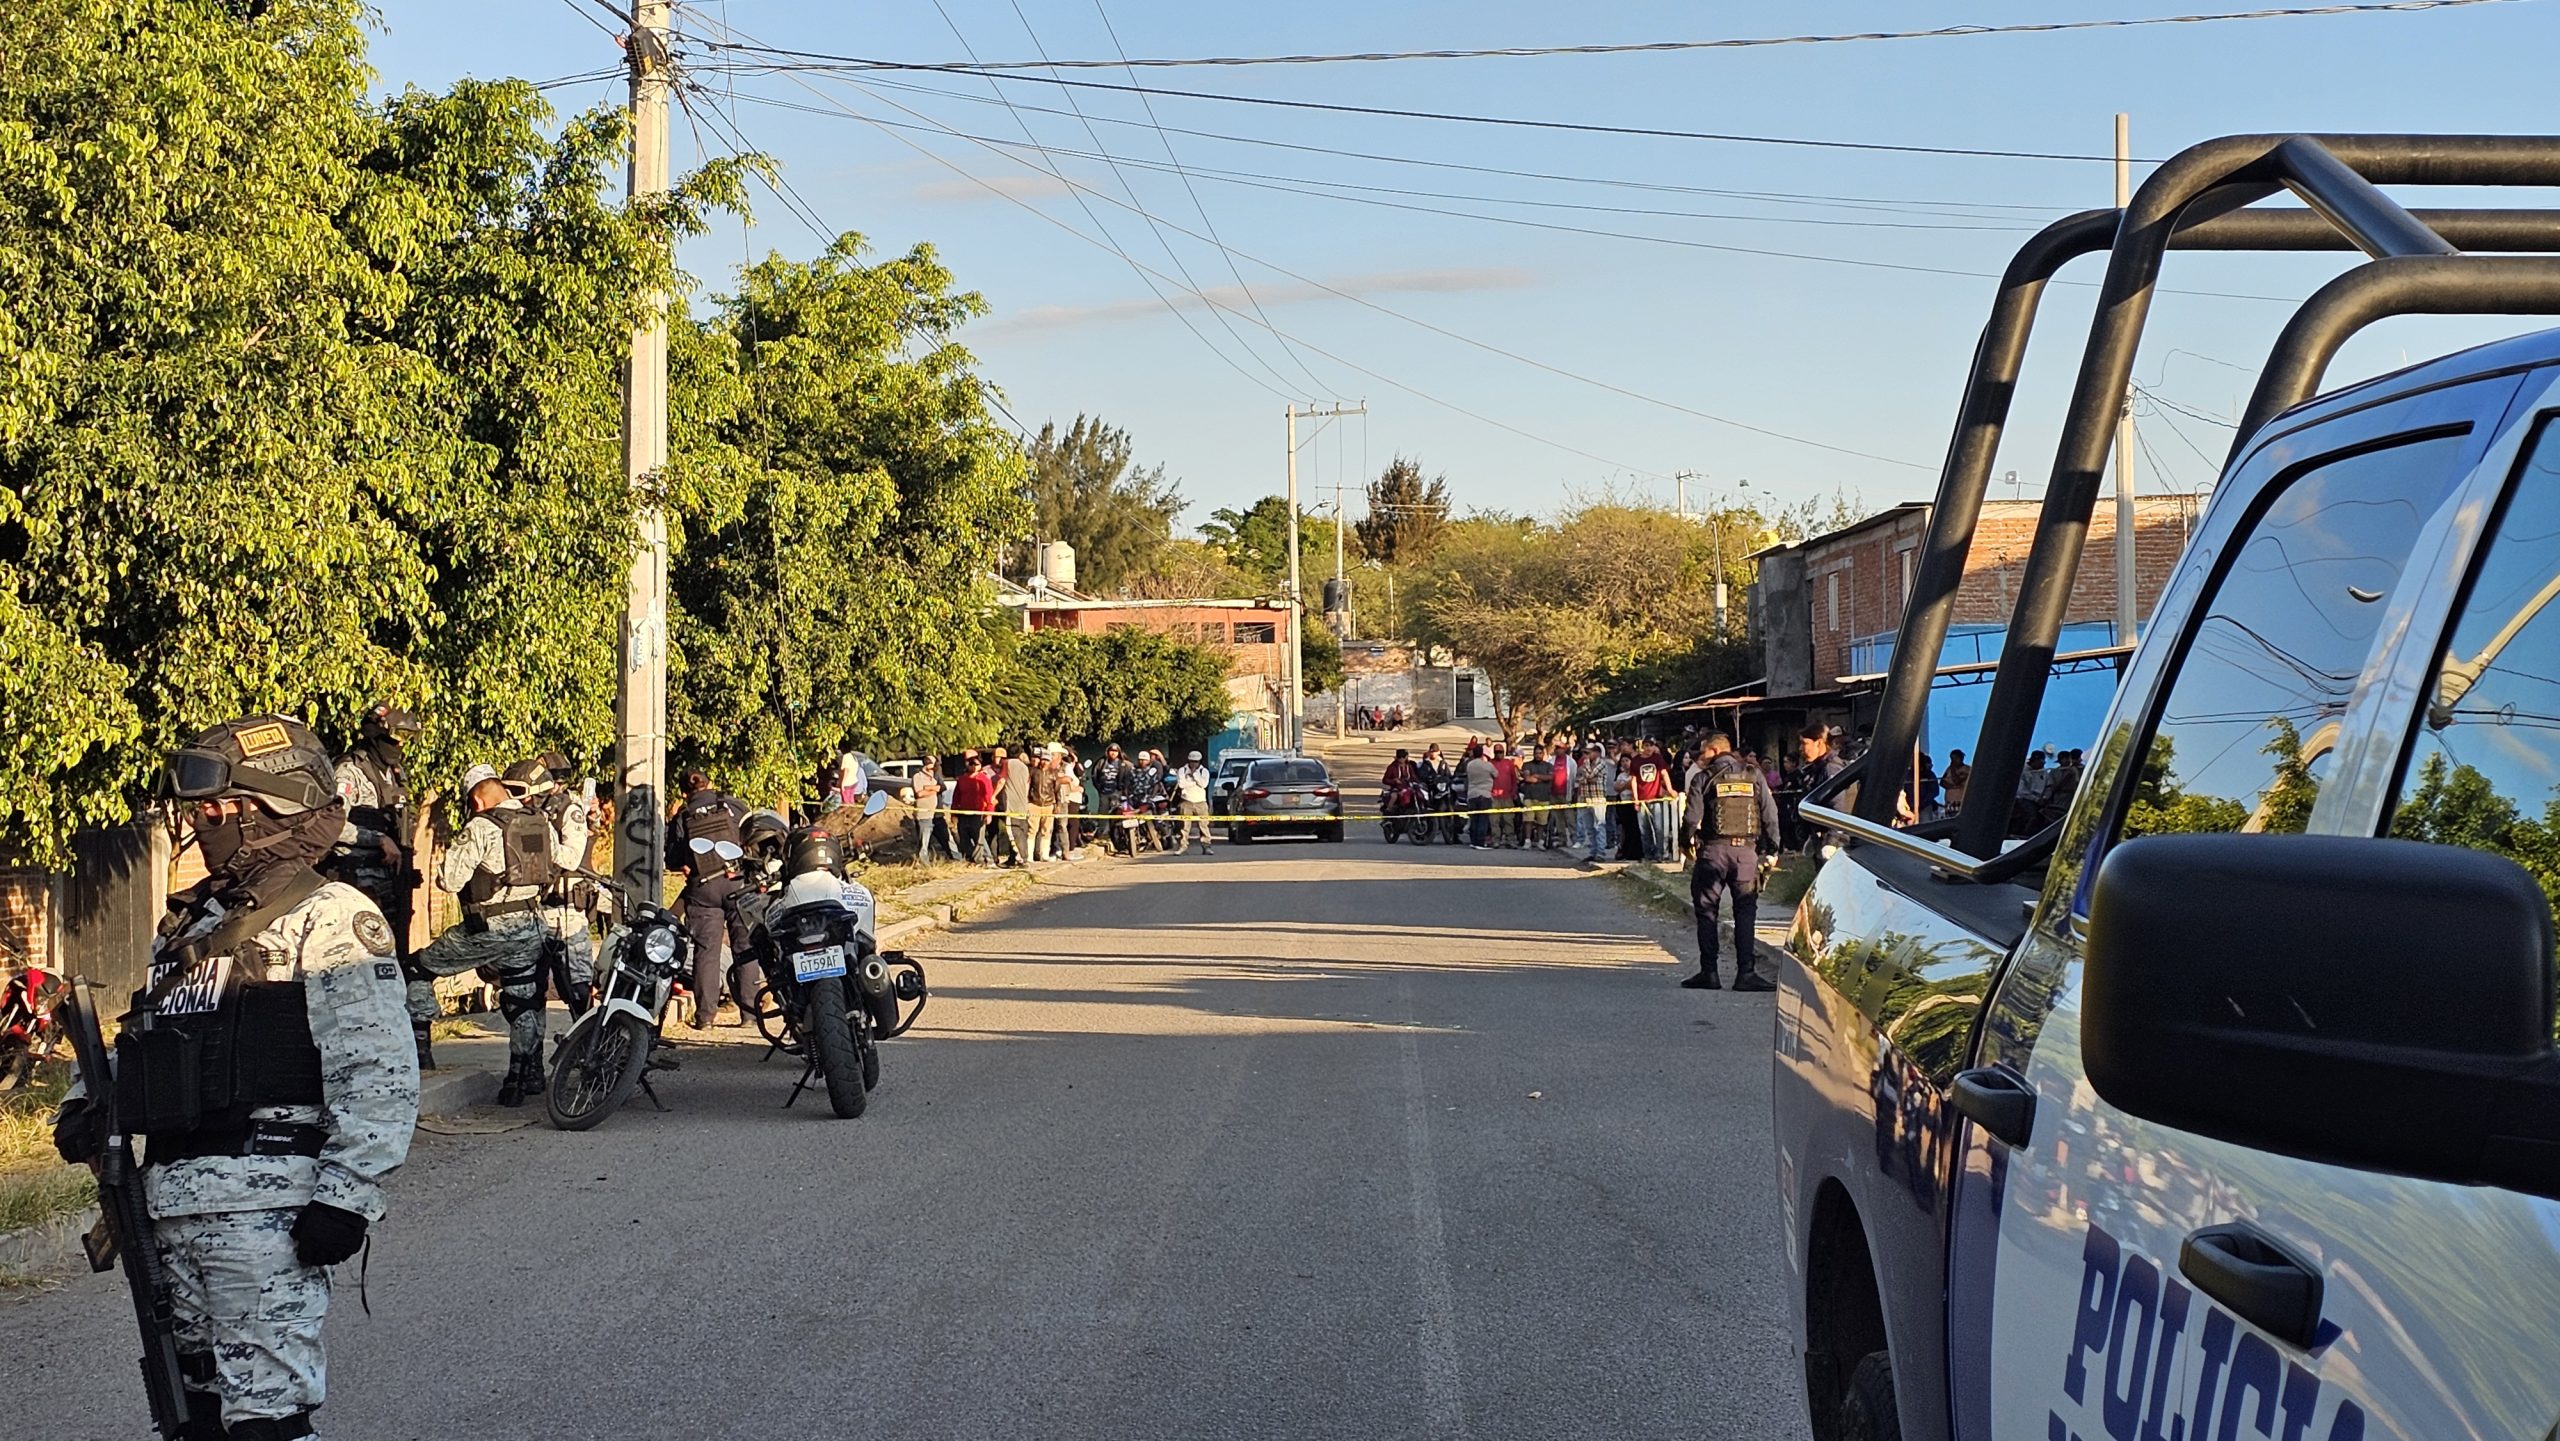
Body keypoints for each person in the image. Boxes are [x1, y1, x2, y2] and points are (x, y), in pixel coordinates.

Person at [54, 715, 417, 1440]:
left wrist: (346, 1198)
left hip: (267, 1219)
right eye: (198, 811)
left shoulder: (332, 914)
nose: (201, 824)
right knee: (195, 1419)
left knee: (266, 1423)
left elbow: (376, 1067)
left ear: (268, 810)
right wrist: (87, 1102)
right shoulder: (189, 926)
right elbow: (149, 1036)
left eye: (215, 810)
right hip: (170, 1207)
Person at [406, 764, 579, 1102]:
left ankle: (421, 1054)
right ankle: (519, 1078)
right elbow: (561, 861)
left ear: (476, 800)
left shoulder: (480, 827)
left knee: (416, 968)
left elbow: (450, 881)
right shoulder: (539, 821)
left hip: (487, 928)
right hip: (531, 926)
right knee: (523, 998)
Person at [325, 703, 425, 1067]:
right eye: (396, 737)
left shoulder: (393, 773)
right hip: (356, 886)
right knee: (360, 968)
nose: (400, 746)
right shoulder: (349, 772)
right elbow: (329, 824)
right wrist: (373, 838)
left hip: (390, 888)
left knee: (392, 963)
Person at [1682, 730, 1782, 992]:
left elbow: (1692, 818)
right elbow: (1770, 814)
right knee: (1745, 912)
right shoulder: (1754, 775)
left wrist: (1685, 844)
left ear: (1714, 750)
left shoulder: (1703, 778)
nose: (1699, 757)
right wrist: (1773, 847)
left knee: (1707, 912)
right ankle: (1746, 974)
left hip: (1713, 852)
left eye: (1702, 751)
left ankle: (1709, 972)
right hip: (1746, 854)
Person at [664, 771, 756, 1036]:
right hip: (737, 882)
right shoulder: (732, 805)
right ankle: (749, 1015)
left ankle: (706, 1017)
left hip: (703, 888)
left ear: (684, 792)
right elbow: (751, 833)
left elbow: (672, 860)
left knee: (706, 952)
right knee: (745, 947)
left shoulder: (683, 815)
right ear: (710, 785)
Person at [508, 758, 596, 1024]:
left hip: (566, 910)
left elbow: (570, 858)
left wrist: (544, 835)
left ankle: (588, 1045)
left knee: (576, 983)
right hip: (536, 908)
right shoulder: (533, 809)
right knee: (532, 984)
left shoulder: (569, 810)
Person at [948, 752, 993, 864]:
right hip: (963, 814)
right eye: (971, 764)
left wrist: (989, 813)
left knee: (979, 839)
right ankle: (969, 858)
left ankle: (981, 860)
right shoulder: (962, 779)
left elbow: (989, 797)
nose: (973, 766)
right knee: (964, 838)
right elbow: (956, 797)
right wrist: (953, 813)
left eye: (976, 764)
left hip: (978, 813)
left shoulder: (983, 779)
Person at [1093, 743, 1137, 855]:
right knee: (1103, 813)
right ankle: (1103, 835)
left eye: (1116, 751)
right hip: (1104, 793)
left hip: (1117, 793)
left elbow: (1130, 777)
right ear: (1107, 752)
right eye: (1111, 751)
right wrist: (1099, 788)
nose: (1113, 753)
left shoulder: (1124, 764)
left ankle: (1117, 836)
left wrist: (1122, 789)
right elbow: (1095, 776)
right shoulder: (1101, 762)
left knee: (1116, 816)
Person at [1174, 750, 1215, 854]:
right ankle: (1183, 846)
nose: (1194, 764)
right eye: (1192, 761)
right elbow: (1181, 784)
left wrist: (1194, 776)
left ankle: (1206, 846)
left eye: (1196, 762)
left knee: (1204, 826)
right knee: (1184, 826)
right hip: (1186, 801)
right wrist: (1195, 782)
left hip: (1200, 801)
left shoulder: (1203, 771)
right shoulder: (1182, 770)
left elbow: (1204, 784)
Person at [998, 744, 1032, 867]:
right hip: (1023, 805)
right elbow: (1027, 786)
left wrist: (993, 795)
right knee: (1022, 832)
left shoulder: (1007, 764)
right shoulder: (1024, 767)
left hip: (1011, 806)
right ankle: (1015, 859)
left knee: (1013, 832)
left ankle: (1021, 859)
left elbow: (1002, 781)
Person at [910, 755, 947, 862]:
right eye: (933, 764)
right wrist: (934, 790)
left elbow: (942, 787)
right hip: (924, 814)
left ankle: (957, 858)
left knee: (945, 839)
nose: (935, 766)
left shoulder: (935, 776)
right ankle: (923, 863)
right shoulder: (918, 777)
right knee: (924, 843)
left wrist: (928, 788)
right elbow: (920, 793)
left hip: (935, 813)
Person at [1463, 743, 1497, 849]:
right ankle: (1480, 842)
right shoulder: (1488, 765)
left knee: (1474, 818)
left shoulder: (1470, 765)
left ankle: (1473, 841)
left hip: (1472, 794)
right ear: (1483, 753)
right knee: (1483, 819)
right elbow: (1496, 774)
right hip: (1484, 794)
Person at [1942, 747, 1971, 814]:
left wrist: (1953, 769)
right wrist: (1950, 786)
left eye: (1956, 758)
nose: (1954, 761)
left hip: (1960, 800)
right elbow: (1942, 782)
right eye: (1952, 759)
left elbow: (1957, 781)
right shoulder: (1948, 769)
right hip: (1950, 801)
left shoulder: (1967, 769)